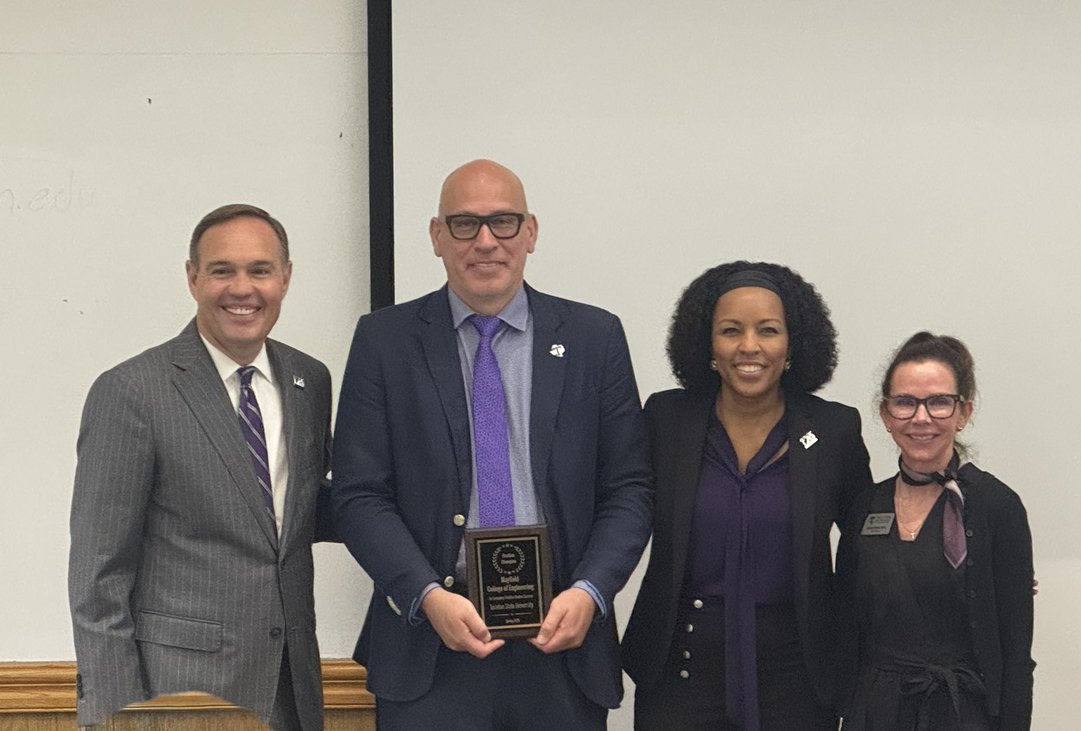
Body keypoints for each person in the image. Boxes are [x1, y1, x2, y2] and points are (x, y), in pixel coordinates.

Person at [331, 159, 652, 730]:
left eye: (503, 222)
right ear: (436, 236)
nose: (485, 241)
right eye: (464, 224)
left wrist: (590, 591)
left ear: (530, 231)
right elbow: (359, 494)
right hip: (430, 646)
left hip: (562, 643)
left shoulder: (594, 337)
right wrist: (425, 595)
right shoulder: (384, 341)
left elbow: (629, 488)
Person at [68, 204, 336, 730]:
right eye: (222, 270)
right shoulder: (131, 391)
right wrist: (117, 717)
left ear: (285, 277)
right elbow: (98, 579)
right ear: (193, 278)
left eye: (260, 270)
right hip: (178, 698)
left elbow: (304, 516)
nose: (243, 288)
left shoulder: (310, 380)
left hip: (290, 691)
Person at [621, 261, 873, 730]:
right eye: (731, 330)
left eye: (768, 330)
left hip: (798, 680)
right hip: (680, 674)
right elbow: (619, 508)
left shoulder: (834, 429)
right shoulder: (666, 420)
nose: (749, 346)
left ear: (793, 344)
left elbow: (870, 546)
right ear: (708, 345)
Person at [839, 332, 1035, 730]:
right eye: (905, 402)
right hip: (875, 712)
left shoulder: (997, 507)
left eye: (939, 402)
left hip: (962, 713)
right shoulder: (865, 506)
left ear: (964, 413)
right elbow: (843, 622)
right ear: (886, 414)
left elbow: (1016, 653)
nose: (921, 418)